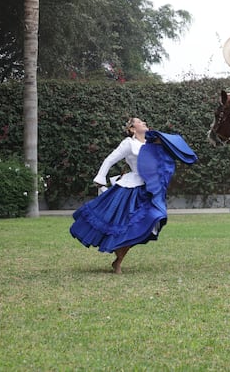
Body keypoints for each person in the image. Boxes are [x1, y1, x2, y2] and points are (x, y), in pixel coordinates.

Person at [70, 117, 197, 273]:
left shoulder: (153, 143)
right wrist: (100, 178)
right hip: (131, 189)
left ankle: (119, 257)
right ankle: (118, 261)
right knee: (126, 226)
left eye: (143, 121)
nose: (144, 122)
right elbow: (110, 159)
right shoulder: (128, 143)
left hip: (149, 189)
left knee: (155, 217)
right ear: (132, 129)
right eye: (139, 121)